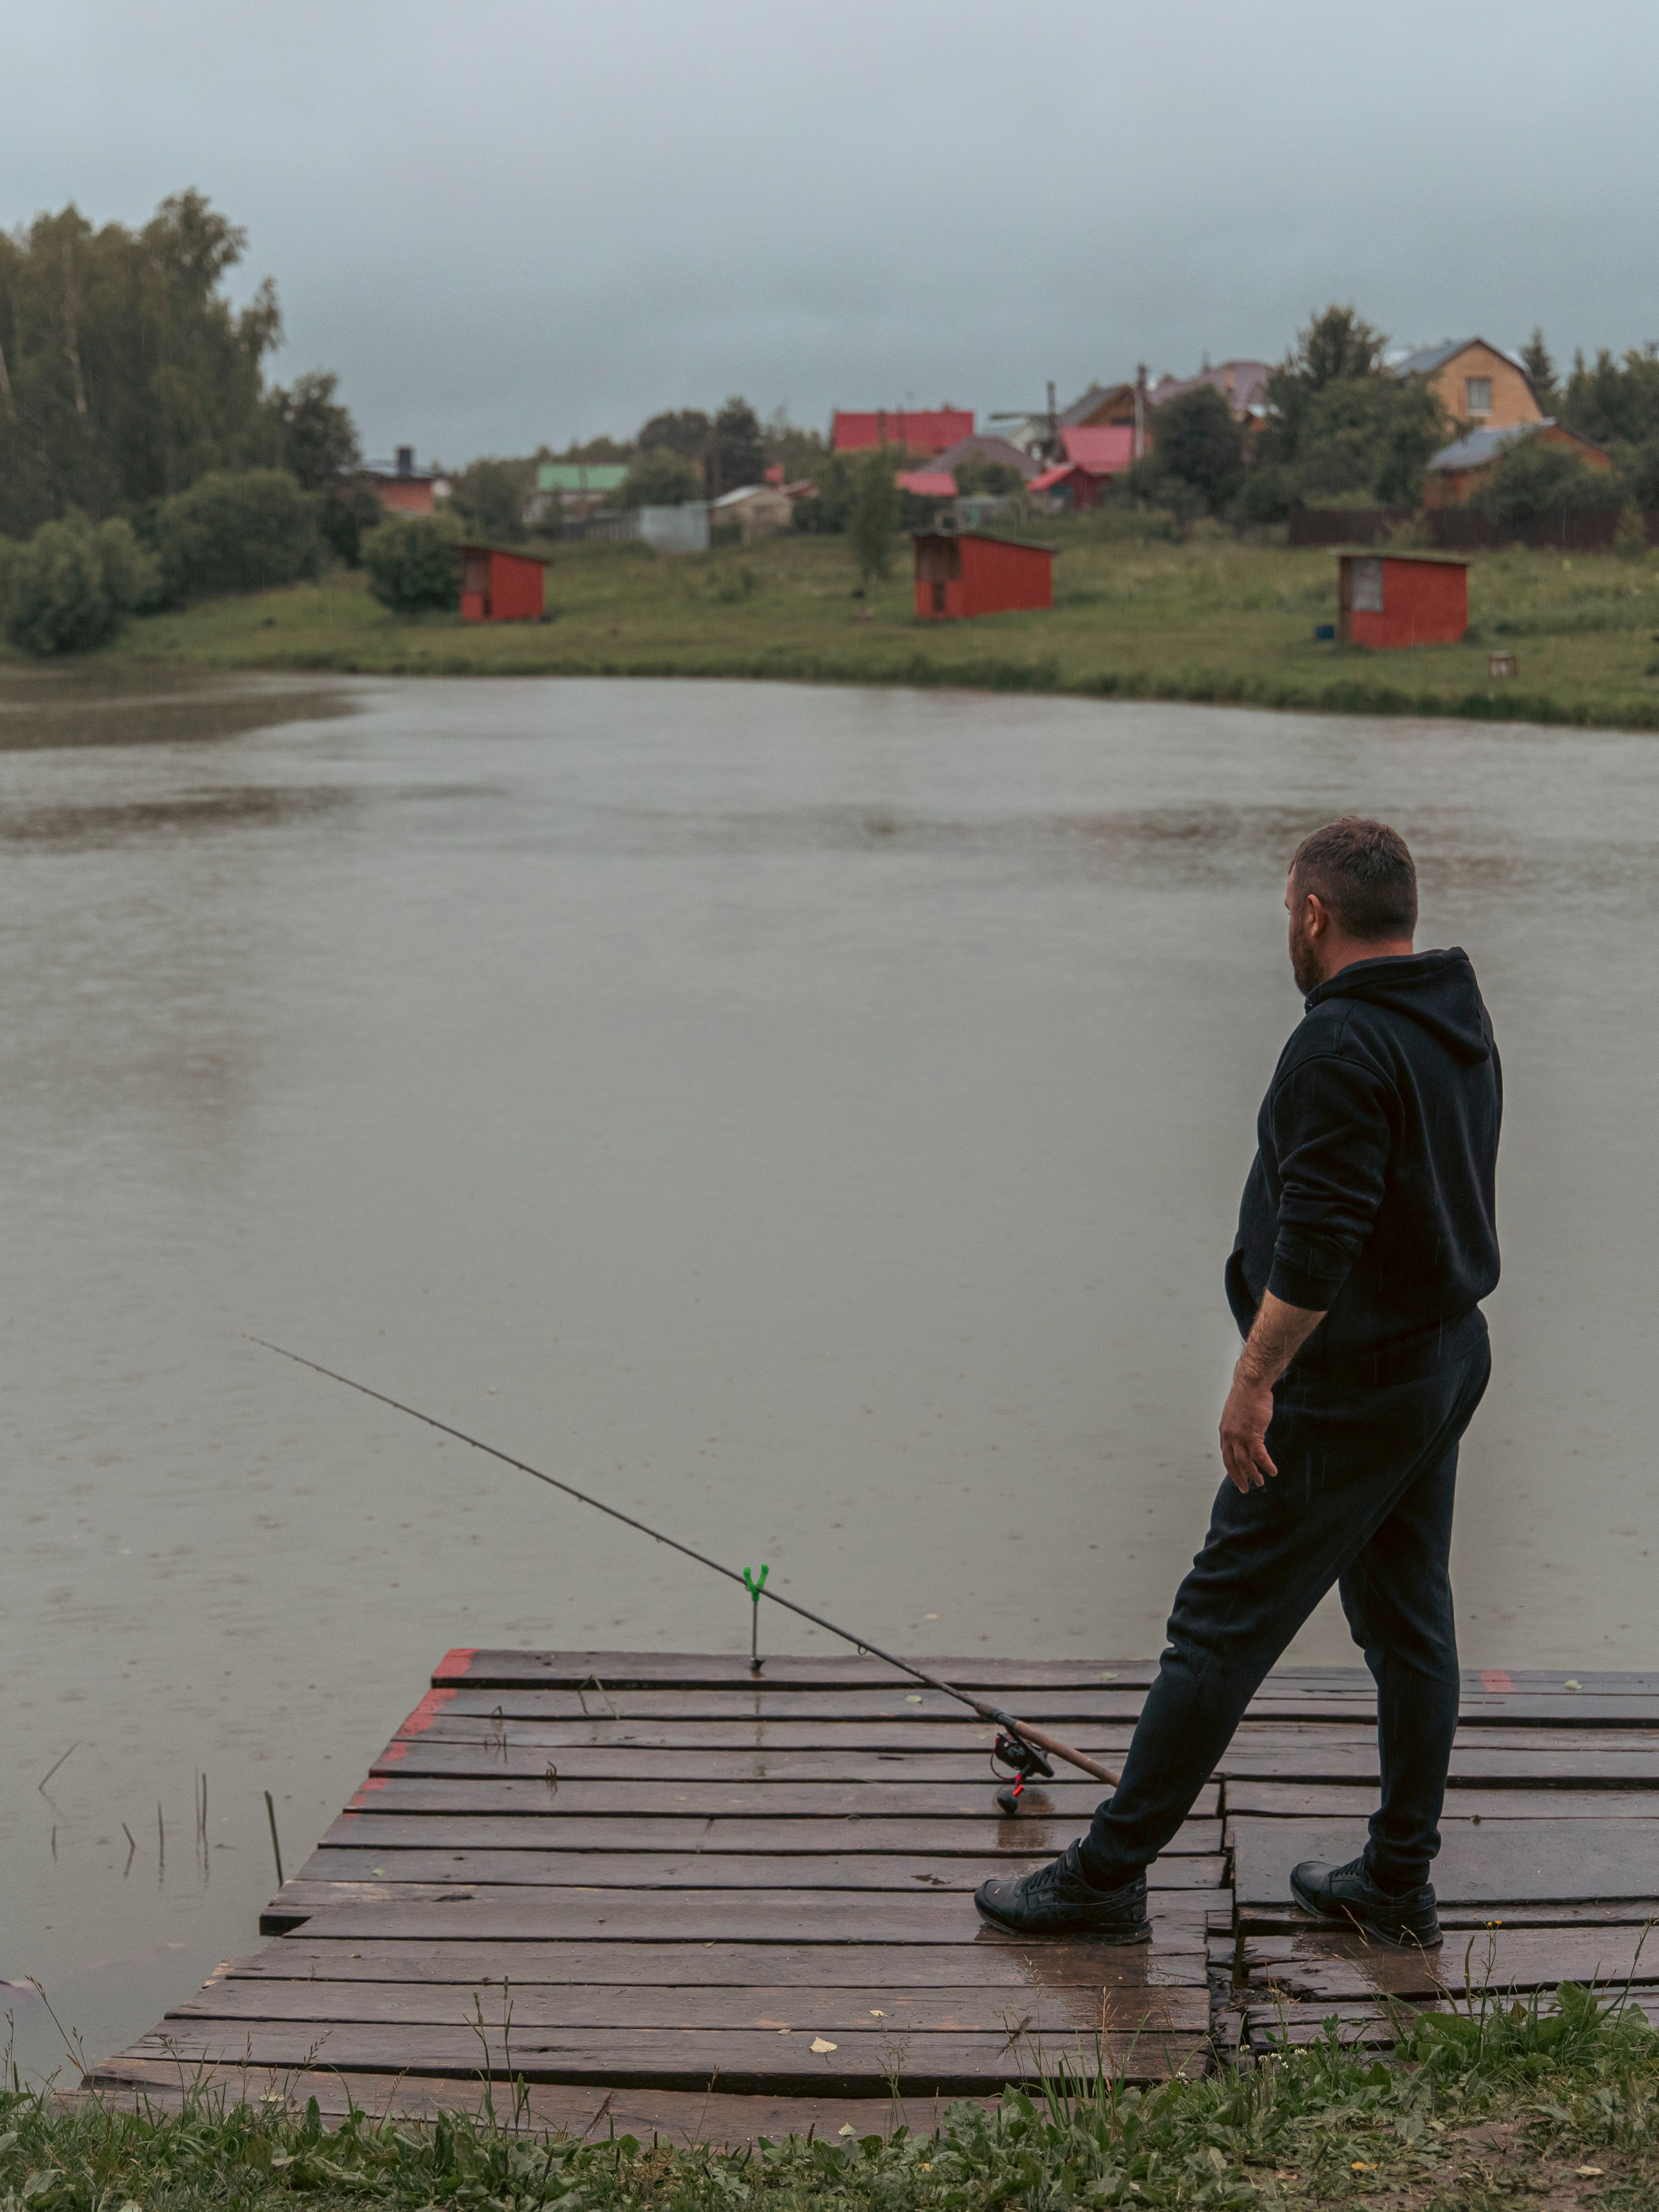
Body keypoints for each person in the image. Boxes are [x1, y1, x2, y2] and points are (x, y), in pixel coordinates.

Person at [975, 819, 1501, 1950]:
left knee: (1217, 1627)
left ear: (1314, 914)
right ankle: (1396, 1881)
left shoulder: (1337, 1047)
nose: (1289, 933)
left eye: (1286, 914)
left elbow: (1318, 1243)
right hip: (1443, 1357)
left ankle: (1108, 1875)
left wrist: (1253, 1379)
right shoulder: (1452, 1015)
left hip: (1350, 1386)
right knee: (1411, 1623)